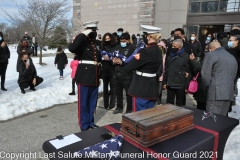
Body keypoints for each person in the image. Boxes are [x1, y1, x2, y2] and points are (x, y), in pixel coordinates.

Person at [68, 20, 101, 131]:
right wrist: (82, 34)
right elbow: (71, 48)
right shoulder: (81, 42)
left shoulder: (97, 43)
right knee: (83, 104)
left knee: (92, 102)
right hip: (84, 76)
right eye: (92, 30)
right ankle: (84, 125)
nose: (94, 32)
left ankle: (90, 122)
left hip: (95, 76)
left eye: (95, 30)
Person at [124, 25, 162, 111]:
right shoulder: (159, 51)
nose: (143, 38)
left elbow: (128, 68)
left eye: (144, 35)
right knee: (148, 118)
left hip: (141, 87)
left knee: (138, 117)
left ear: (148, 36)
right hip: (152, 87)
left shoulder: (145, 51)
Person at [201, 42, 237, 116]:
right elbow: (234, 76)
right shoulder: (232, 57)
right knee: (221, 123)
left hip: (215, 93)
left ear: (211, 49)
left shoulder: (211, 55)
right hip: (228, 93)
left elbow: (205, 75)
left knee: (212, 121)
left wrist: (206, 90)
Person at [112, 32, 136, 114]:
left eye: (124, 41)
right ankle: (119, 107)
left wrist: (122, 63)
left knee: (128, 93)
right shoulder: (117, 47)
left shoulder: (133, 48)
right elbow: (113, 57)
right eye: (121, 40)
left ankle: (129, 109)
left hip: (127, 74)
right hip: (117, 73)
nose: (122, 42)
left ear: (128, 40)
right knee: (118, 92)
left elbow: (133, 61)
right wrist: (114, 61)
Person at [163, 39, 191, 106]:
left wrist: (186, 86)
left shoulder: (186, 56)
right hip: (170, 83)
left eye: (174, 46)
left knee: (180, 104)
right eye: (172, 46)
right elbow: (166, 69)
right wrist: (165, 82)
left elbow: (188, 72)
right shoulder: (170, 56)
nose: (172, 48)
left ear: (179, 47)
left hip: (180, 84)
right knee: (169, 104)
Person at [101, 33, 117, 110]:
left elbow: (116, 59)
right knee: (105, 87)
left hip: (112, 69)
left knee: (113, 87)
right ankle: (105, 103)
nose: (107, 40)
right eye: (106, 39)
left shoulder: (114, 47)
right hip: (104, 69)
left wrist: (110, 59)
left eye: (108, 39)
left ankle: (112, 104)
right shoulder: (102, 47)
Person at [157, 40, 167, 105]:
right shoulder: (156, 55)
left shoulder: (165, 55)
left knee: (159, 89)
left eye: (161, 47)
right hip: (156, 74)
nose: (159, 48)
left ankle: (159, 100)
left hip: (162, 75)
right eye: (158, 47)